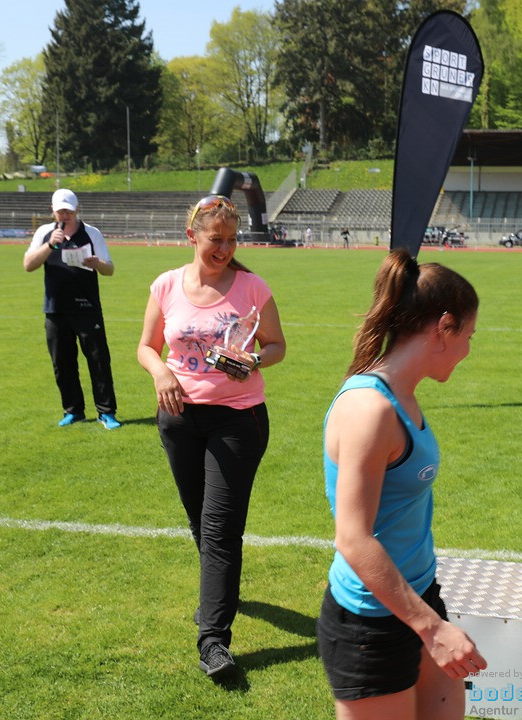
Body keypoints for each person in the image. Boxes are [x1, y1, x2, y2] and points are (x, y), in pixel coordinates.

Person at [317, 249, 486, 719]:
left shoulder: (403, 395)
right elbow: (353, 538)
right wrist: (433, 630)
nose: (469, 349)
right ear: (444, 326)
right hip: (370, 623)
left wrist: (429, 616)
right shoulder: (370, 409)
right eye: (468, 335)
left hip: (417, 594)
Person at [137, 194, 286, 680]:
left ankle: (213, 641)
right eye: (214, 240)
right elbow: (145, 346)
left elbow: (277, 345)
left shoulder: (252, 287)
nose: (223, 249)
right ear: (192, 237)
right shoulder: (165, 285)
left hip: (238, 420)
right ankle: (219, 597)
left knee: (220, 529)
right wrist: (160, 372)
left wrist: (256, 361)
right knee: (202, 524)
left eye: (231, 240)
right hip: (179, 418)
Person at [23, 188, 120, 429]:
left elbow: (110, 269)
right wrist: (50, 246)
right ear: (53, 211)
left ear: (77, 210)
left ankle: (106, 412)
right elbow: (28, 265)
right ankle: (73, 411)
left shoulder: (91, 233)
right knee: (62, 363)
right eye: (60, 211)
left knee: (98, 361)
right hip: (56, 310)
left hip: (87, 308)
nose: (64, 216)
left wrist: (98, 263)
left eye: (68, 211)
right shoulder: (45, 233)